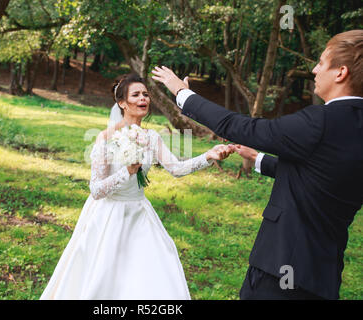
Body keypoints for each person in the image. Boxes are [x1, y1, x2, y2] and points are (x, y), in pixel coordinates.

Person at [152, 30, 363, 300]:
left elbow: (240, 126)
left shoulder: (320, 121)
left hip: (281, 271)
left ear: (340, 73)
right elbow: (322, 176)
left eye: (321, 62)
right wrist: (258, 159)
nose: (313, 70)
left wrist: (182, 93)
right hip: (323, 276)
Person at [39, 73, 234, 299]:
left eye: (146, 94)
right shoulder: (106, 137)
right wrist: (127, 171)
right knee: (104, 280)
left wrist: (209, 155)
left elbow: (176, 169)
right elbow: (96, 190)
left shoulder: (151, 137)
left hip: (140, 215)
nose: (143, 99)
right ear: (122, 103)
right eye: (136, 95)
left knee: (150, 275)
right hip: (109, 217)